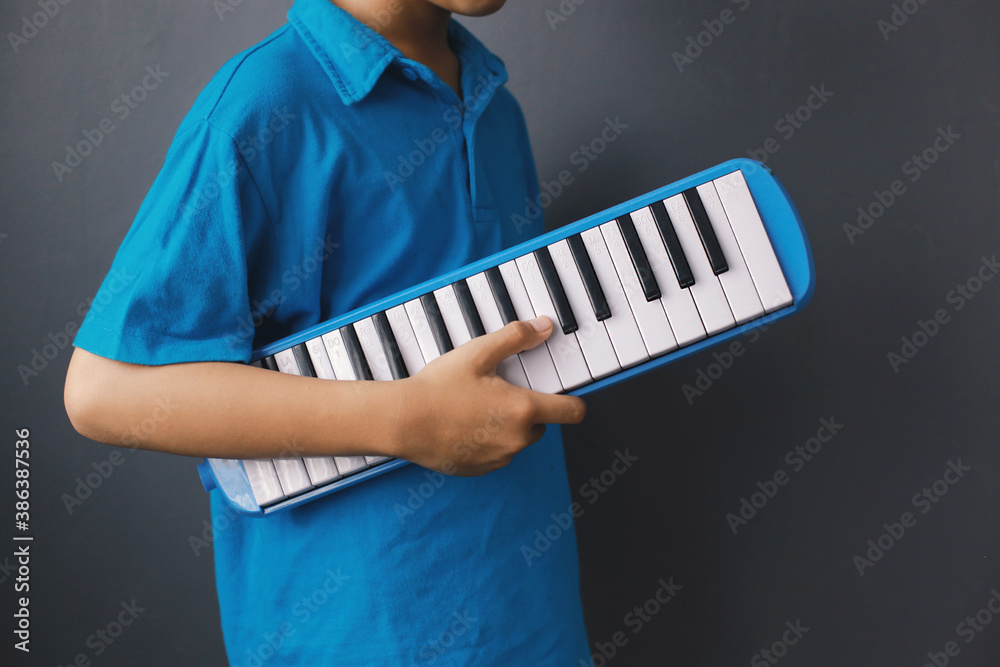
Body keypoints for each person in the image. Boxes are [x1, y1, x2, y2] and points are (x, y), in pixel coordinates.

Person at [63, 0, 592, 664]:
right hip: (354, 636)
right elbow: (103, 392)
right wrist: (406, 419)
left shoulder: (497, 106)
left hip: (534, 623)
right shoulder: (259, 104)